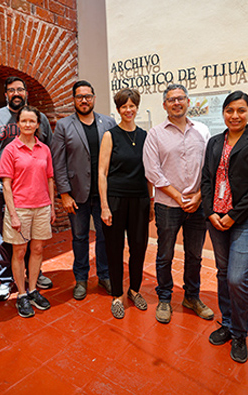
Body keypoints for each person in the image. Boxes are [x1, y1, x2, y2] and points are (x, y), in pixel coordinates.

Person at [201, 91, 248, 363]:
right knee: (222, 273)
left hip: (246, 219)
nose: (235, 115)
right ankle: (228, 324)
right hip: (216, 219)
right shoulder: (214, 142)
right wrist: (210, 212)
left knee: (236, 277)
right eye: (230, 110)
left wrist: (233, 214)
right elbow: (206, 179)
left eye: (241, 110)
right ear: (223, 113)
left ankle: (241, 333)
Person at [143, 83, 213, 324]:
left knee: (194, 255)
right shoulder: (155, 134)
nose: (176, 103)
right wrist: (178, 196)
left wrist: (198, 197)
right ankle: (164, 298)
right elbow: (152, 171)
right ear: (164, 105)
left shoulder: (203, 131)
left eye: (180, 98)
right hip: (167, 205)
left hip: (197, 205)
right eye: (171, 99)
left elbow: (209, 169)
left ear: (188, 101)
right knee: (165, 254)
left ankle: (192, 297)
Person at [0, 76, 53, 302]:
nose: (16, 93)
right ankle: (5, 280)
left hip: (35, 192)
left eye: (20, 89)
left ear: (26, 93)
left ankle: (34, 276)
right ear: (6, 94)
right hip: (4, 189)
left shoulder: (40, 120)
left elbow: (47, 150)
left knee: (34, 240)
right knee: (6, 240)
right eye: (11, 90)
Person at [51, 80, 117, 300]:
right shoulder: (63, 125)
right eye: (79, 96)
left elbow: (115, 159)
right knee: (79, 237)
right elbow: (57, 162)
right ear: (74, 99)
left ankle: (104, 275)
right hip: (76, 194)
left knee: (105, 236)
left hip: (103, 194)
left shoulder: (108, 122)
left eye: (88, 96)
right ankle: (80, 279)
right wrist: (65, 194)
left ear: (94, 98)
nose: (84, 100)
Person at [98, 88, 154, 319]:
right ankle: (117, 295)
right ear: (118, 109)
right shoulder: (110, 135)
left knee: (139, 246)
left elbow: (150, 173)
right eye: (124, 106)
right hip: (115, 199)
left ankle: (134, 290)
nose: (128, 110)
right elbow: (101, 172)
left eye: (132, 106)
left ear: (137, 107)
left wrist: (150, 202)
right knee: (114, 248)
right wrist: (104, 205)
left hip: (140, 199)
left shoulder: (145, 136)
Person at [0, 105, 56, 318]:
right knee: (19, 252)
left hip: (41, 207)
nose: (28, 124)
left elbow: (50, 178)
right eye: (24, 121)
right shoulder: (10, 150)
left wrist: (50, 206)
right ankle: (21, 294)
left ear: (38, 124)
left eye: (32, 121)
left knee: (38, 250)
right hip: (20, 208)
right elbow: (6, 184)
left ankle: (33, 290)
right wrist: (12, 214)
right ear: (18, 124)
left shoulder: (44, 149)